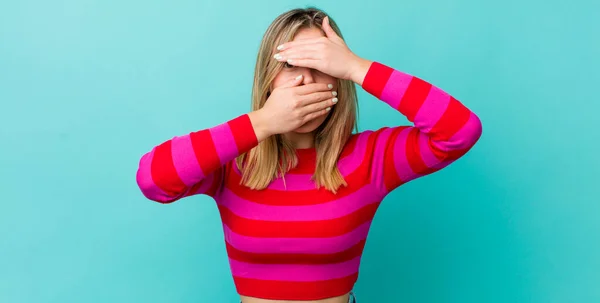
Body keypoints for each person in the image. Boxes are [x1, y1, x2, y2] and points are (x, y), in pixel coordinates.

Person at [135, 7, 482, 303]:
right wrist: (263, 122)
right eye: (290, 65)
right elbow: (153, 180)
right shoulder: (232, 160)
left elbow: (460, 130)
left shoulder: (372, 158)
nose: (305, 81)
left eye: (320, 65)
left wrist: (357, 67)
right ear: (268, 78)